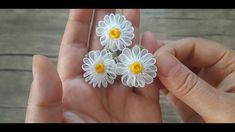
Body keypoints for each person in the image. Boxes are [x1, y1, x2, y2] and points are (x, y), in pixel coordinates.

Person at [25, 9, 235, 123]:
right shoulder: (105, 61)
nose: (114, 33)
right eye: (113, 32)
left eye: (115, 32)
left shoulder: (133, 63)